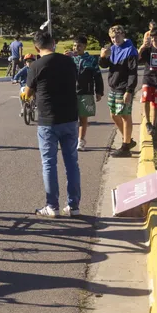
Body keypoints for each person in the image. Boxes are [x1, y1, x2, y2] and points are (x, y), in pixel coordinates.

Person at [24, 30, 81, 217]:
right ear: (54, 43)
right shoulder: (69, 62)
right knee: (71, 162)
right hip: (70, 118)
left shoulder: (36, 66)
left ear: (36, 47)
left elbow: (28, 93)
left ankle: (52, 206)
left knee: (49, 163)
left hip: (48, 120)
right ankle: (73, 206)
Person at [99, 25, 138, 157]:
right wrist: (103, 57)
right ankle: (128, 139)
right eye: (112, 37)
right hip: (113, 87)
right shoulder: (112, 49)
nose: (115, 39)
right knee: (113, 114)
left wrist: (129, 90)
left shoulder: (130, 51)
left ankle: (125, 147)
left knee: (125, 116)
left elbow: (133, 73)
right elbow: (104, 65)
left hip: (124, 88)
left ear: (123, 35)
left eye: (117, 36)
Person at [69, 36, 103, 151]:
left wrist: (99, 92)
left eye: (79, 46)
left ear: (84, 47)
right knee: (72, 119)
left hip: (86, 93)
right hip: (71, 93)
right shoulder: (70, 59)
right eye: (74, 45)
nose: (76, 48)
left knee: (83, 118)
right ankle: (73, 139)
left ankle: (81, 140)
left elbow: (97, 76)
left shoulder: (91, 60)